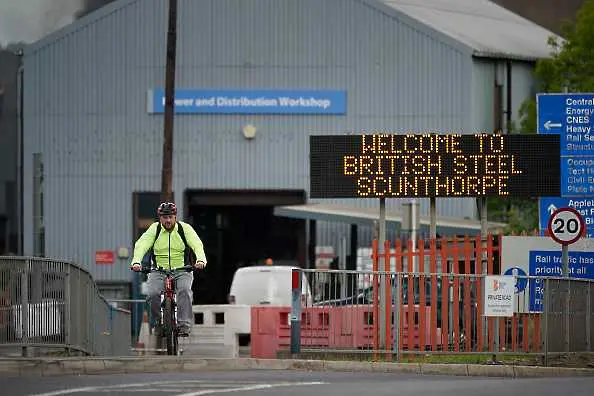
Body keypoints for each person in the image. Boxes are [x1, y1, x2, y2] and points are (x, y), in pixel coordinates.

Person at [130, 202, 207, 337]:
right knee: (152, 294)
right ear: (160, 218)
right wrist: (136, 261)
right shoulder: (155, 229)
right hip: (158, 270)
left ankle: (184, 325)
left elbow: (197, 245)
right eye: (164, 217)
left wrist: (201, 260)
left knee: (184, 291)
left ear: (175, 217)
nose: (168, 220)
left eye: (170, 217)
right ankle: (158, 322)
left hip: (182, 269)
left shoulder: (184, 229)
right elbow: (141, 245)